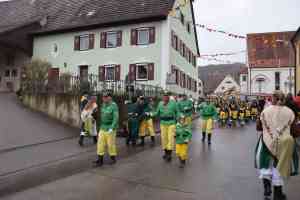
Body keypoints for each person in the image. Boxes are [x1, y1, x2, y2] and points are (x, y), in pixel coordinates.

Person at [255, 91, 299, 200]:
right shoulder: (289, 112)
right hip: (284, 143)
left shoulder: (265, 111)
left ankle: (267, 187)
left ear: (273, 99)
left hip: (267, 142)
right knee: (278, 167)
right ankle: (278, 194)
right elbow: (295, 131)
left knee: (265, 163)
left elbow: (259, 127)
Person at [94, 91, 119, 167]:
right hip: (103, 127)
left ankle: (113, 158)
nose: (103, 98)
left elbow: (116, 117)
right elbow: (102, 115)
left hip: (110, 128)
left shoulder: (114, 106)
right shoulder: (103, 105)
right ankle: (100, 160)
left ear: (110, 97)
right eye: (103, 97)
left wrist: (112, 127)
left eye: (105, 97)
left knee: (110, 144)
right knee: (100, 143)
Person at [152, 91, 178, 162]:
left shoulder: (173, 103)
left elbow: (177, 112)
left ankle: (169, 154)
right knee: (164, 138)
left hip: (171, 123)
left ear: (169, 96)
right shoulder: (160, 103)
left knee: (170, 138)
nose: (165, 97)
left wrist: (179, 119)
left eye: (166, 96)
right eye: (164, 96)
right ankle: (166, 152)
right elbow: (157, 112)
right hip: (163, 123)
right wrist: (151, 114)